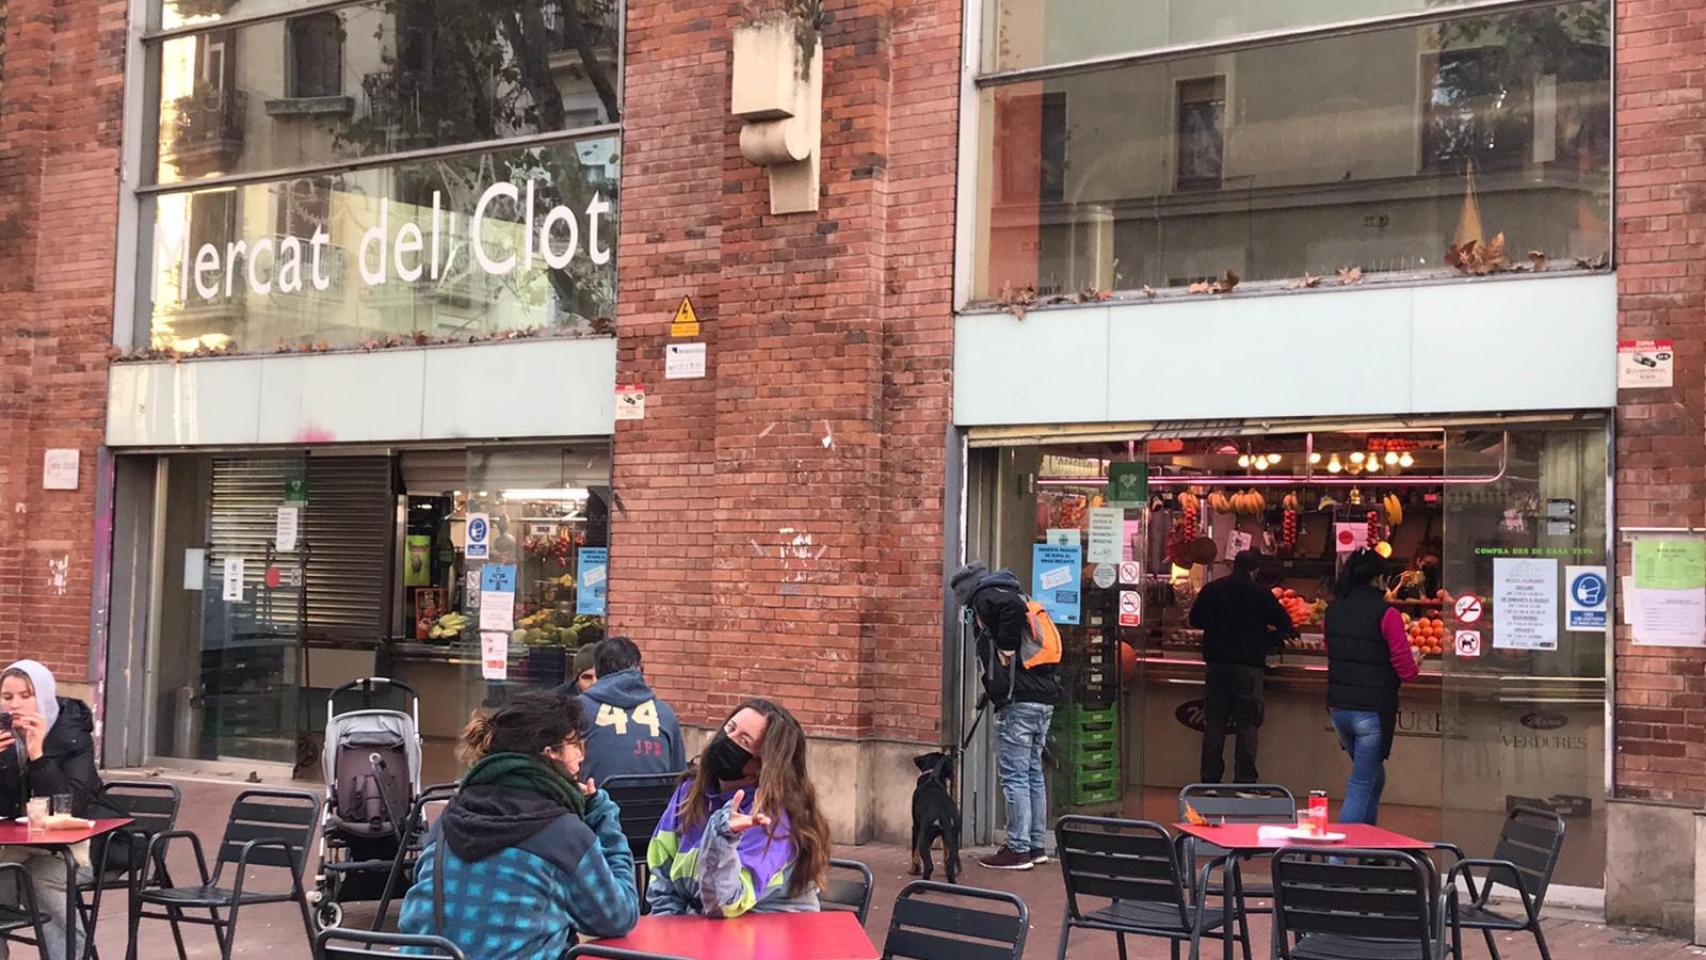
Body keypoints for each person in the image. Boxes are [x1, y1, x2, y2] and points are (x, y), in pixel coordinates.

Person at [398, 691, 638, 958]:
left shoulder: (446, 823)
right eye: (576, 744)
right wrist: (602, 817)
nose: (582, 755)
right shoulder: (563, 835)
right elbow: (618, 916)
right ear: (552, 753)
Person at [646, 699, 829, 916]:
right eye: (730, 728)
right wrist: (668, 925)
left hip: (770, 933)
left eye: (744, 741)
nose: (727, 740)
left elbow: (725, 903)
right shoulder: (691, 791)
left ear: (762, 765)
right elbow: (662, 873)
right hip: (703, 930)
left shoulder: (771, 817)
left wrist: (723, 837)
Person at [0, 660, 124, 960]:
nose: (15, 705)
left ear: (42, 696)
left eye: (26, 695)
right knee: (3, 872)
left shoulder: (72, 736)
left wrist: (38, 754)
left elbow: (67, 805)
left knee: (41, 874)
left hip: (85, 847)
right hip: (25, 843)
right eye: (7, 697)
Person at [951, 562, 1060, 871]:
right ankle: (1036, 845)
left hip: (1020, 702)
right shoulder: (1012, 590)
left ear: (966, 590)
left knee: (1014, 776)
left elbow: (1008, 610)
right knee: (1031, 774)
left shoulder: (988, 595)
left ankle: (1017, 848)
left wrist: (1007, 650)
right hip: (1041, 698)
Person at [1323, 548, 1420, 825]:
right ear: (1378, 579)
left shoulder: (1333, 611)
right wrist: (1416, 663)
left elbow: (1330, 649)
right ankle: (1339, 859)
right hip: (1371, 712)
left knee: (1374, 778)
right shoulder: (1386, 614)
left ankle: (1369, 846)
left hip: (1339, 707)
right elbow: (1405, 668)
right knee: (1361, 783)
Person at [1188, 550, 1294, 784]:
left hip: (1216, 665)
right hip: (1248, 666)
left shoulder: (1213, 589)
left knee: (1214, 723)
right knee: (1247, 724)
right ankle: (1245, 782)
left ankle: (1210, 780)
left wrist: (1216, 625)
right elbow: (1285, 623)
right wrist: (1266, 636)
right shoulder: (1261, 594)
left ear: (1233, 566)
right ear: (1255, 571)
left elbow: (1194, 619)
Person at [576, 636, 686, 782]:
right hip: (655, 803)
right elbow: (679, 777)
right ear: (640, 668)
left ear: (597, 671)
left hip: (594, 801)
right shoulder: (665, 713)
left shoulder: (577, 709)